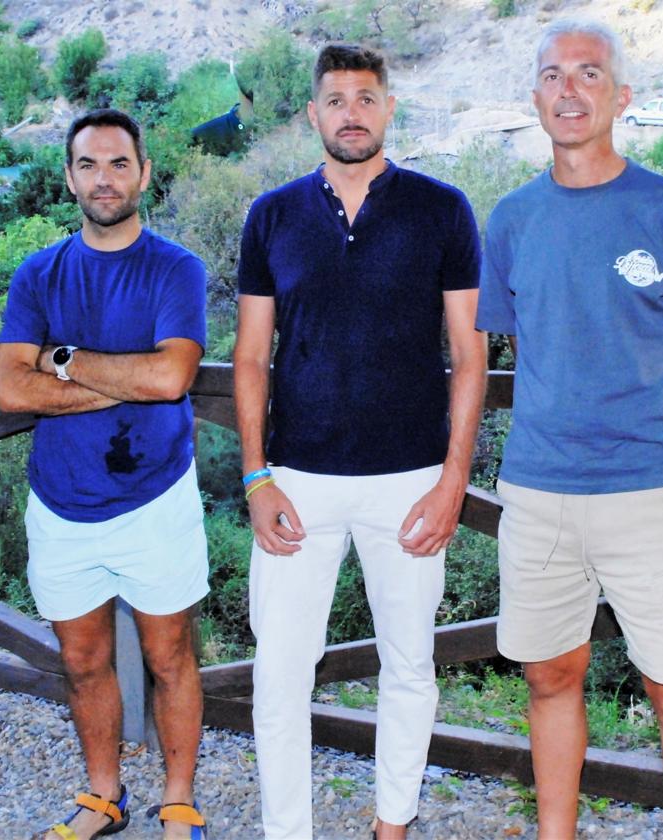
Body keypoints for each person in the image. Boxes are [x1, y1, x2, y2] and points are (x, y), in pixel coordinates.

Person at [476, 18, 663, 838]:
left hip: (650, 494)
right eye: (553, 75)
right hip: (538, 491)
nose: (569, 89)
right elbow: (519, 347)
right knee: (552, 677)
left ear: (620, 97)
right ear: (535, 98)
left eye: (589, 73)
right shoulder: (513, 219)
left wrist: (652, 438)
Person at [234, 44, 488, 840]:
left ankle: (393, 824)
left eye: (367, 97)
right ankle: (288, 832)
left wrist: (454, 479)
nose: (351, 111)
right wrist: (255, 477)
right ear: (312, 114)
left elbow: (470, 353)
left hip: (410, 478)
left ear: (388, 110)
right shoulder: (271, 215)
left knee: (409, 667)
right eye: (336, 98)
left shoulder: (442, 210)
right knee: (279, 677)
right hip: (296, 481)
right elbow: (249, 357)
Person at [0, 109, 209, 840]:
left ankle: (178, 797)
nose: (105, 178)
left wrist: (64, 357)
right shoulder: (39, 271)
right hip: (60, 503)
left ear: (144, 173)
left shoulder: (175, 267)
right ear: (69, 178)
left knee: (170, 655)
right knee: (83, 662)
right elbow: (11, 390)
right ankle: (102, 796)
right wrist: (129, 379)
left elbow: (174, 374)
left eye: (120, 163)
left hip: (156, 497)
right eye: (89, 164)